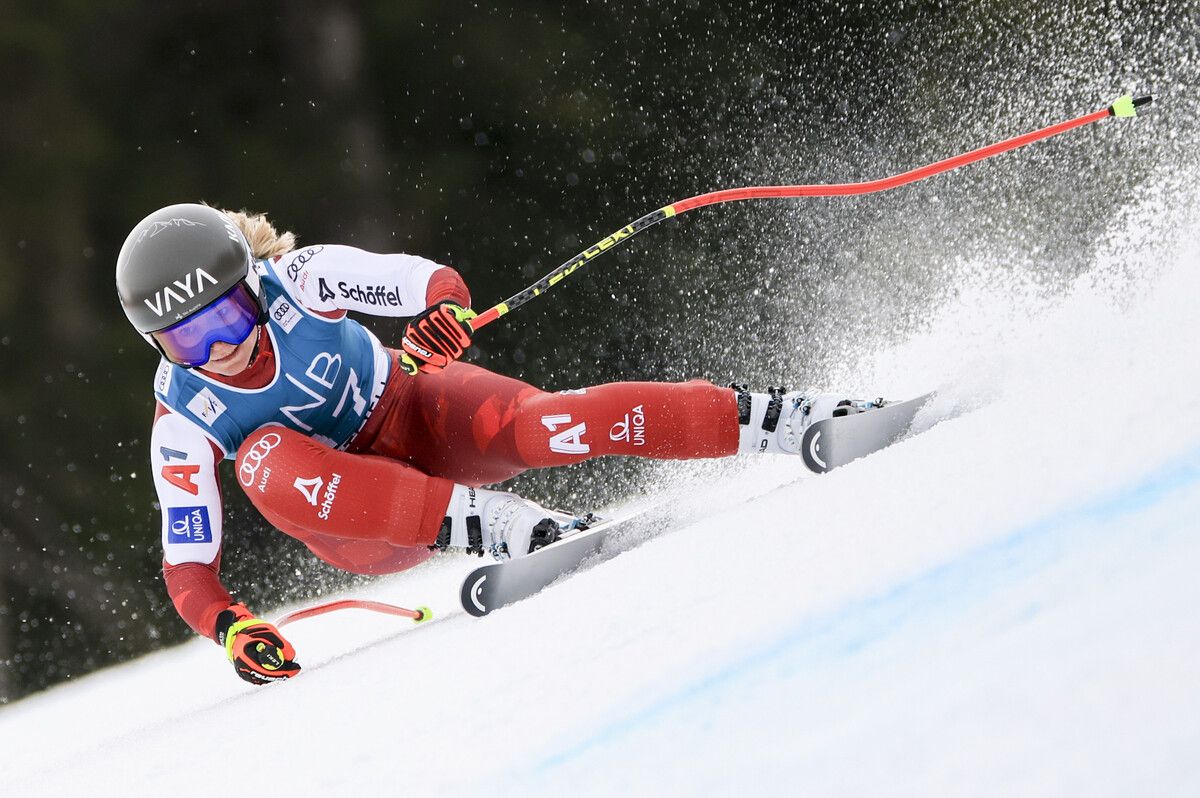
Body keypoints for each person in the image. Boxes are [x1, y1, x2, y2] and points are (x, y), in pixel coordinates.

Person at [116, 203, 874, 685]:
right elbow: (187, 563)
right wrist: (230, 628)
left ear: (252, 282)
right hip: (364, 522)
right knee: (258, 461)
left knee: (549, 424)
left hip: (417, 415)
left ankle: (779, 416)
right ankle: (504, 528)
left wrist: (445, 314)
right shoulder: (181, 414)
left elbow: (427, 280)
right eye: (185, 337)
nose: (215, 350)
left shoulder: (301, 278)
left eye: (225, 320)